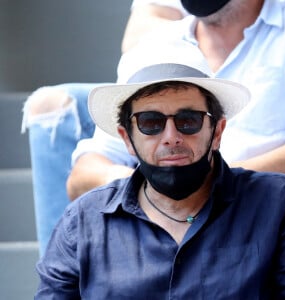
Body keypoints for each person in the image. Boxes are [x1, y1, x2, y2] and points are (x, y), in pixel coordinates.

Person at [34, 61, 285, 299]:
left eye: (189, 120)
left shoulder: (282, 204)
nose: (171, 136)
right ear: (127, 138)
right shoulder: (82, 221)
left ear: (217, 132)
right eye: (150, 123)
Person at [67, 0, 285, 204]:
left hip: (265, 218)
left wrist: (211, 184)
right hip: (161, 230)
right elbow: (82, 177)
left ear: (219, 129)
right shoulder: (155, 46)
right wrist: (147, 187)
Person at [22, 0, 186, 256]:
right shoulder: (194, 31)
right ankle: (61, 271)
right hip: (183, 75)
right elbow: (135, 38)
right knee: (52, 106)